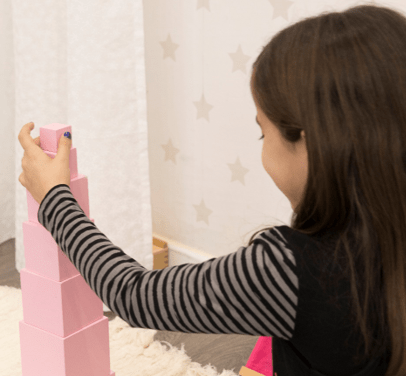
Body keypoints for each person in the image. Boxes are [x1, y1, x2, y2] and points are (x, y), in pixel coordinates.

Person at [18, 3, 405, 376]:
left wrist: (55, 198)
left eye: (262, 132)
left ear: (308, 144)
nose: (262, 145)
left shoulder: (287, 272)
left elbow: (133, 294)